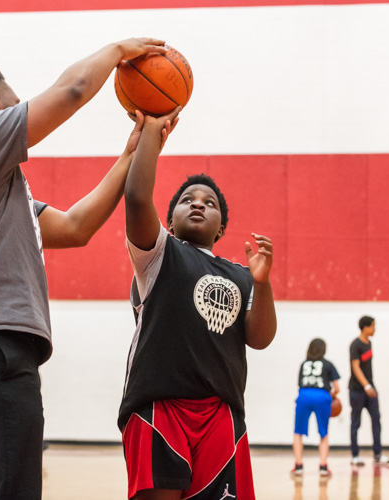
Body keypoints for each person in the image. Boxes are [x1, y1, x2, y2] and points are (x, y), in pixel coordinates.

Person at [0, 38, 168, 500]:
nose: (23, 109)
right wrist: (118, 50)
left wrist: (130, 154)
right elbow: (72, 89)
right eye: (16, 103)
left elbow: (75, 227)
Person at [119, 108, 277, 500]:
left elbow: (259, 339)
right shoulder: (160, 255)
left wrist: (263, 283)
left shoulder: (241, 274)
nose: (198, 203)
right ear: (168, 221)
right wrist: (153, 135)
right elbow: (137, 197)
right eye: (187, 199)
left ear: (221, 226)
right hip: (159, 407)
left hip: (220, 414)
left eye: (210, 203)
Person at [292, 338, 340, 477]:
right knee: (323, 433)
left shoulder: (304, 364)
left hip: (304, 395)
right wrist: (331, 395)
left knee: (298, 432)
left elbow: (300, 385)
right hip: (322, 396)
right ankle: (323, 466)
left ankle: (298, 465)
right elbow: (337, 388)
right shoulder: (328, 364)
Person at [349, 316, 389, 466]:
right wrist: (366, 386)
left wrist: (370, 386)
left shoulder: (370, 344)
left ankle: (378, 454)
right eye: (373, 326)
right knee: (356, 422)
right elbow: (355, 367)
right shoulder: (355, 344)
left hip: (370, 388)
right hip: (357, 390)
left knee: (376, 419)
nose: (375, 329)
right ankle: (355, 455)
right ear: (365, 327)